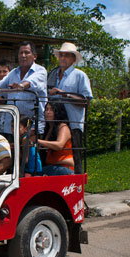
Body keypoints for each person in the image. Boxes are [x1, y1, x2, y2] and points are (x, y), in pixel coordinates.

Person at [0, 41, 47, 136]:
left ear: (34, 56)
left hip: (31, 129)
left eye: (27, 52)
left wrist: (21, 86)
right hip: (10, 128)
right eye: (20, 53)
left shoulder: (41, 71)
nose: (23, 55)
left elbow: (31, 82)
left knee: (29, 151)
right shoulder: (13, 73)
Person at [48, 42, 93, 174]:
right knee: (52, 156)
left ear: (73, 59)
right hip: (54, 124)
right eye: (61, 55)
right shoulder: (53, 74)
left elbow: (86, 101)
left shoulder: (80, 76)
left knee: (76, 158)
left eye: (67, 56)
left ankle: (77, 188)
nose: (63, 58)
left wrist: (63, 94)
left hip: (73, 125)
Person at [39, 102, 74, 176]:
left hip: (63, 167)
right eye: (46, 109)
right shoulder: (49, 128)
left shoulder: (63, 127)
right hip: (52, 167)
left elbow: (59, 145)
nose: (48, 112)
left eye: (51, 110)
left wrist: (38, 141)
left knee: (35, 173)